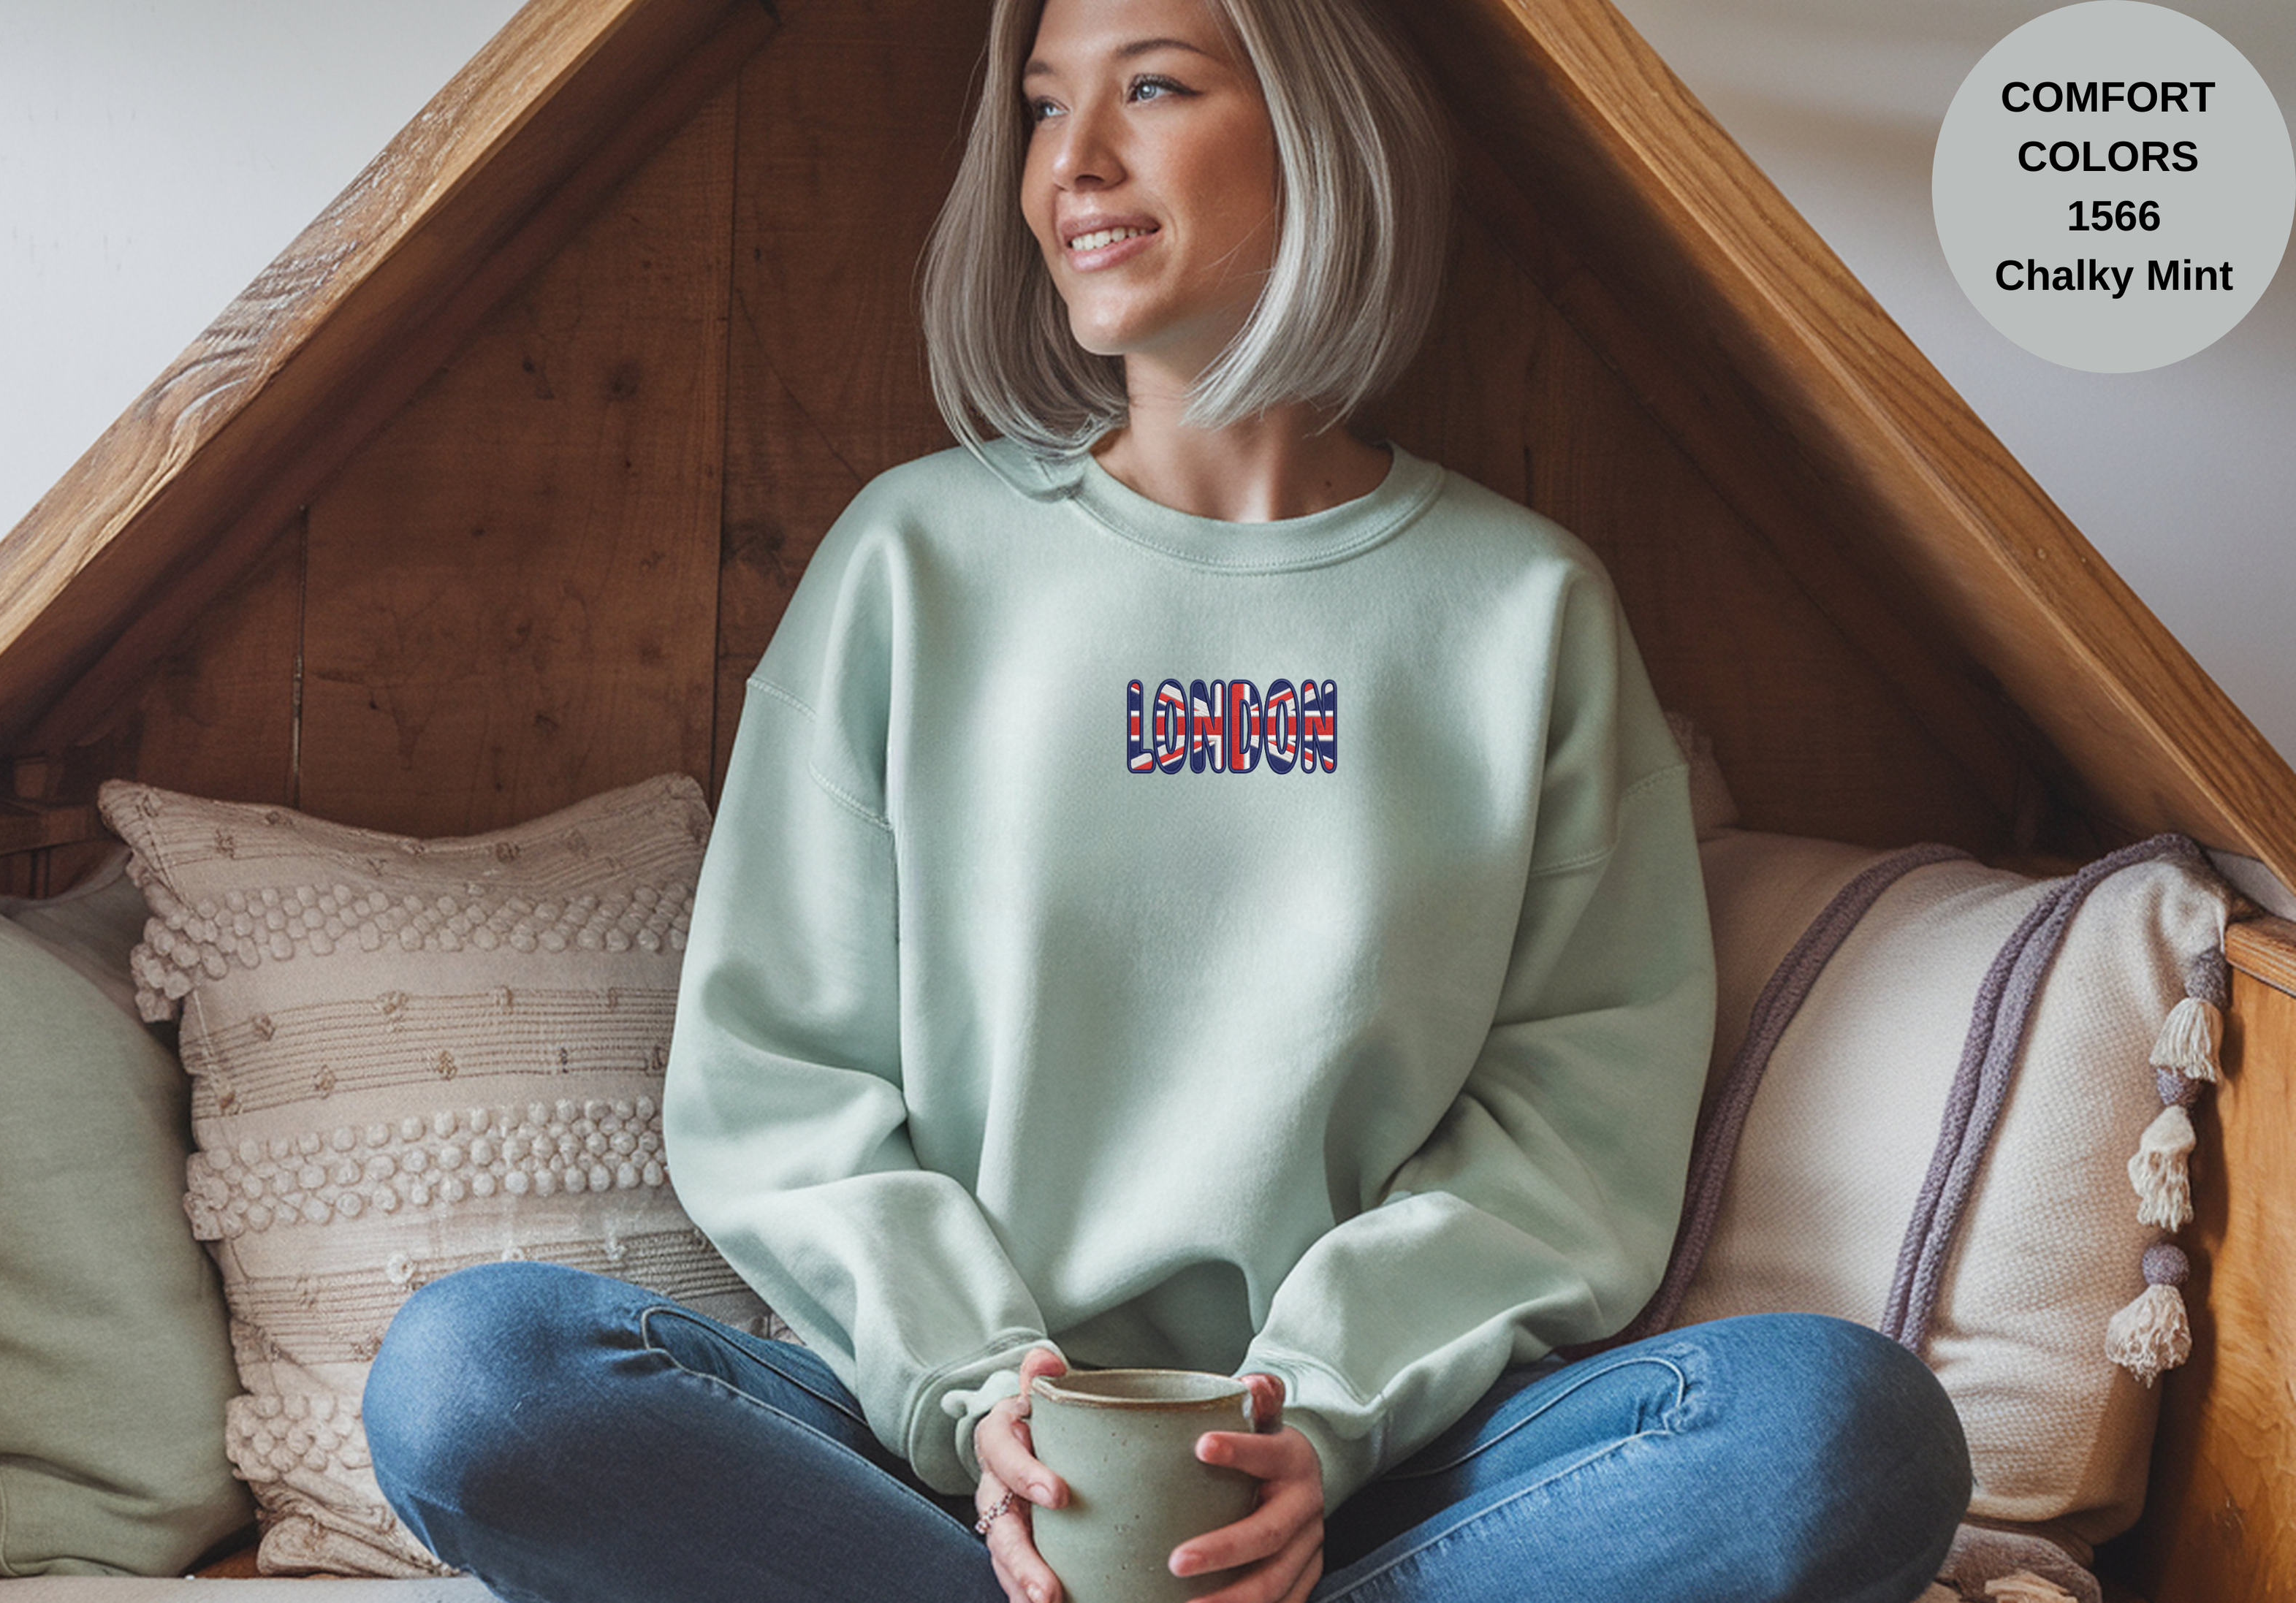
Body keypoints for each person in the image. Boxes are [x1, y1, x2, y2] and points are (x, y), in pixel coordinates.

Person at [363, 0, 1973, 1598]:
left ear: (1314, 132)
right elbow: (781, 1070)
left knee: (1839, 1429)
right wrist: (989, 1396)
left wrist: (1317, 1415)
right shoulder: (912, 563)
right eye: (1046, 107)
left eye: (1150, 86)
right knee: (475, 1380)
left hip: (1381, 1466)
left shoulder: (1524, 608)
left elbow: (1577, 1117)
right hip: (942, 1456)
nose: (1076, 160)